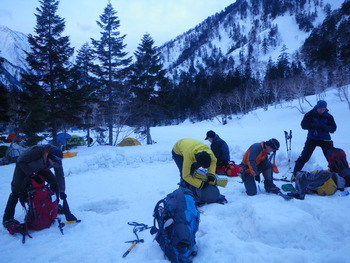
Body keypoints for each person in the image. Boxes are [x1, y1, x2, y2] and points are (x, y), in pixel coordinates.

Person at [3, 144, 76, 229]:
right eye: (54, 161)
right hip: (24, 166)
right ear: (49, 156)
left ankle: (54, 206)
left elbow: (59, 176)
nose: (56, 163)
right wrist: (32, 175)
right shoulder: (36, 152)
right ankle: (7, 218)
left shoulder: (56, 158)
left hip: (41, 167)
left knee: (54, 182)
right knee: (16, 190)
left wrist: (62, 191)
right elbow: (20, 161)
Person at [172, 138, 226, 205]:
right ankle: (185, 191)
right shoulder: (188, 155)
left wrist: (211, 174)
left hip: (191, 146)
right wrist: (200, 184)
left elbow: (213, 161)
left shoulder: (209, 153)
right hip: (178, 151)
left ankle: (193, 188)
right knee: (184, 172)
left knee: (193, 171)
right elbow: (186, 175)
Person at [292, 100, 337, 180]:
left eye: (323, 109)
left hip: (325, 140)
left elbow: (334, 128)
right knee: (304, 157)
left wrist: (327, 128)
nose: (321, 110)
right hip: (312, 139)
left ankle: (336, 175)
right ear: (316, 107)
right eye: (320, 108)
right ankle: (295, 174)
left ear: (325, 109)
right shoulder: (310, 114)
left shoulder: (329, 116)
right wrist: (313, 125)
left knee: (331, 157)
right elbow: (303, 125)